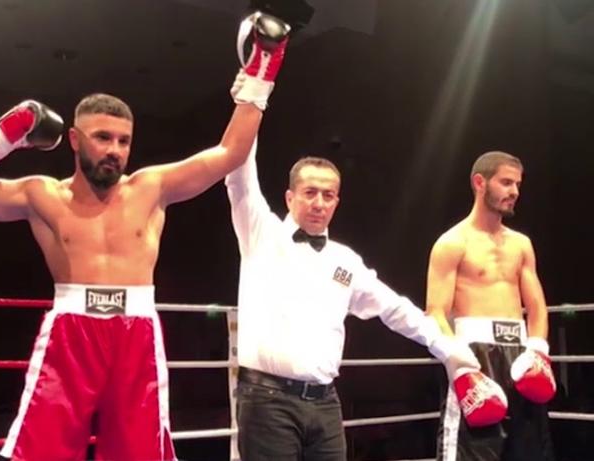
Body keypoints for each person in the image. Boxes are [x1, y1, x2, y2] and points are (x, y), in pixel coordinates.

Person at [0, 13, 290, 461]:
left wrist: (262, 74)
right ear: (75, 140)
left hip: (137, 333)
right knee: (40, 451)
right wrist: (5, 135)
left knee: (140, 453)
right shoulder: (42, 195)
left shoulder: (151, 188)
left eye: (123, 141)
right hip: (70, 332)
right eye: (103, 138)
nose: (115, 151)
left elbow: (230, 152)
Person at [224, 142, 481, 460]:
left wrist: (448, 349)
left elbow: (394, 308)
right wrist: (251, 112)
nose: (319, 203)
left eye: (328, 195)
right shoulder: (262, 235)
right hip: (267, 400)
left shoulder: (345, 261)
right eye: (310, 192)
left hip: (325, 402)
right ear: (290, 197)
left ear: (336, 202)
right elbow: (239, 176)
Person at [426, 151, 556, 461]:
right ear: (480, 182)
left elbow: (537, 307)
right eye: (506, 182)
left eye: (518, 184)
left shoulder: (521, 244)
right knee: (472, 453)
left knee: (530, 452)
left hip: (521, 356)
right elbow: (435, 312)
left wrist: (538, 350)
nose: (515, 191)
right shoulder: (452, 243)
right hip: (475, 355)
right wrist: (461, 367)